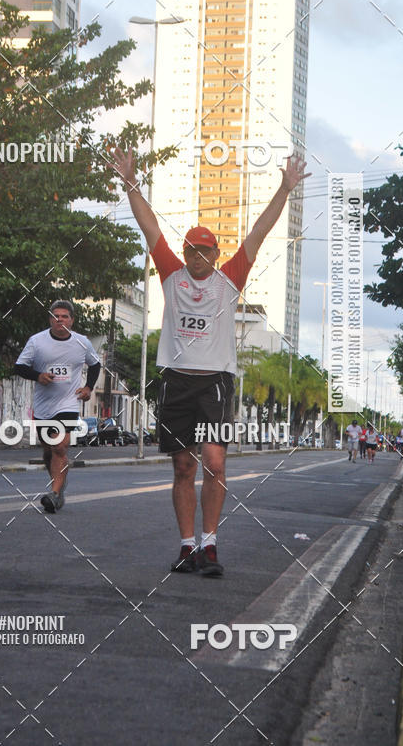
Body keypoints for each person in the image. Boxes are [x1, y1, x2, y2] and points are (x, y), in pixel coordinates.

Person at [113, 146, 309, 576]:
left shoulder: (229, 279)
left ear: (216, 255)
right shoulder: (170, 274)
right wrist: (130, 180)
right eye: (191, 250)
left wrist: (285, 188)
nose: (196, 256)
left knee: (215, 462)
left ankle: (210, 544)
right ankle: (187, 547)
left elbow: (259, 231)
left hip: (215, 383)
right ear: (183, 253)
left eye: (204, 251)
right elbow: (149, 227)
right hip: (176, 382)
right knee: (183, 465)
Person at [14, 300, 101, 513]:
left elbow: (95, 364)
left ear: (71, 320)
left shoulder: (82, 342)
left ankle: (53, 494)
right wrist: (38, 375)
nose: (59, 319)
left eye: (64, 316)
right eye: (55, 316)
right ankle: (59, 484)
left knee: (60, 447)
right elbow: (19, 367)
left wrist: (88, 387)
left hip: (69, 402)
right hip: (44, 405)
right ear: (50, 319)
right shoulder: (37, 341)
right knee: (48, 450)